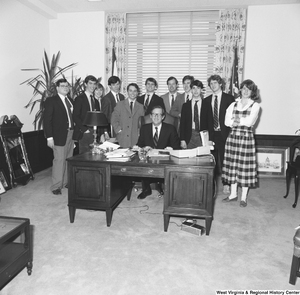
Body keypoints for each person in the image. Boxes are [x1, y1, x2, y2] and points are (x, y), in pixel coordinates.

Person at [222, 79, 261, 207]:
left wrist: (236, 119)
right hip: (232, 138)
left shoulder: (255, 105)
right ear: (240, 90)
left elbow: (249, 122)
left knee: (244, 168)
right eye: (243, 88)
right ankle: (233, 194)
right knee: (232, 166)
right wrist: (237, 120)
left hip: (246, 139)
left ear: (252, 91)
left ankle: (243, 197)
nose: (245, 91)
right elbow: (226, 122)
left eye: (248, 89)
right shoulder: (233, 105)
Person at [136, 105, 180, 199]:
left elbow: (176, 147)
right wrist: (143, 148)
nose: (156, 117)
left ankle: (164, 186)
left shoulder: (170, 128)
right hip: (148, 161)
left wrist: (169, 149)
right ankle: (146, 189)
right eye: (154, 114)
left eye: (159, 115)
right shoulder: (144, 128)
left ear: (163, 117)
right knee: (141, 163)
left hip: (164, 161)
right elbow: (139, 145)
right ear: (150, 116)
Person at [201, 74, 235, 194]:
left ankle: (226, 183)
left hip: (224, 134)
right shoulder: (206, 100)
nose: (213, 85)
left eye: (215, 83)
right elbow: (204, 120)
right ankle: (212, 185)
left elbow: (233, 118)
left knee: (225, 160)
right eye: (211, 83)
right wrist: (206, 137)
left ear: (220, 84)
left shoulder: (229, 99)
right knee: (211, 160)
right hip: (211, 135)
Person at [43, 79, 74, 195]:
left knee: (68, 158)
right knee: (59, 160)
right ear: (57, 88)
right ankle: (56, 186)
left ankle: (65, 182)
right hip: (59, 135)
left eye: (67, 86)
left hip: (71, 133)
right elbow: (47, 120)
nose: (65, 88)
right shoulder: (51, 101)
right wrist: (49, 138)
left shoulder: (70, 100)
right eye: (62, 86)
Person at [72, 75, 100, 154]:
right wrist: (84, 129)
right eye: (90, 83)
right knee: (84, 156)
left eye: (94, 84)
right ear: (85, 84)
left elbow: (97, 117)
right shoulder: (79, 98)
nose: (92, 86)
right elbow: (75, 116)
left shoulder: (95, 100)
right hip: (83, 132)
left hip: (94, 132)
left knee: (93, 155)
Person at [111, 83, 144, 148]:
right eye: (130, 90)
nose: (132, 93)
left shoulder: (141, 107)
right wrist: (118, 130)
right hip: (122, 138)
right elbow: (114, 119)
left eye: (135, 91)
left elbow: (142, 123)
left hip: (135, 139)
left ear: (137, 93)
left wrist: (139, 134)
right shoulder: (120, 104)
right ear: (127, 92)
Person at [180, 80, 205, 149]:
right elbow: (182, 124)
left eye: (198, 88)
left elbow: (210, 123)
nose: (196, 90)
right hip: (190, 135)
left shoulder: (207, 104)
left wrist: (210, 140)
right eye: (193, 88)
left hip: (202, 136)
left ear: (201, 90)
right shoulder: (185, 106)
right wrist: (182, 139)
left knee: (202, 158)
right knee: (188, 157)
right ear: (191, 90)